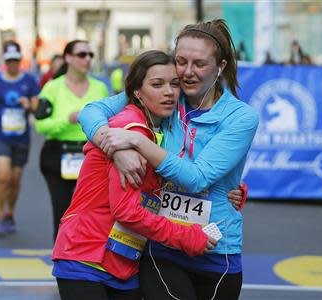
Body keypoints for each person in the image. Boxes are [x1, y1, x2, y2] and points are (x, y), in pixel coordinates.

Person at [78, 19, 258, 299]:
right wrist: (116, 146)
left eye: (199, 64)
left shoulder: (242, 117)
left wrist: (137, 141)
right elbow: (91, 111)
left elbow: (198, 178)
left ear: (221, 66)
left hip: (217, 249)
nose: (187, 72)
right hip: (164, 248)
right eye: (181, 61)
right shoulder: (164, 97)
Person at [52, 50, 216, 300]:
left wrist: (229, 191)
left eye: (174, 84)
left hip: (124, 261)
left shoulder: (163, 129)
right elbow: (127, 212)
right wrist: (186, 236)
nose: (169, 92)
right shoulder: (131, 128)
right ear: (137, 92)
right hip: (87, 255)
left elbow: (179, 175)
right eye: (157, 84)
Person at [34, 40, 109, 241]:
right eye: (81, 54)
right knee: (62, 210)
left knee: (92, 212)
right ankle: (62, 258)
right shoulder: (52, 88)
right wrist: (67, 119)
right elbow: (40, 124)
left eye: (90, 55)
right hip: (58, 153)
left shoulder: (100, 88)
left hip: (93, 155)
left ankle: (86, 260)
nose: (87, 59)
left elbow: (111, 121)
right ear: (68, 58)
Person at [0, 41, 39, 236]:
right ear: (5, 62)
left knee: (15, 179)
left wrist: (28, 104)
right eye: (9, 61)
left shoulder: (29, 81)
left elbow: (36, 107)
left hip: (21, 136)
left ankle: (10, 213)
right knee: (3, 176)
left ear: (20, 61)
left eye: (15, 60)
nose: (12, 64)